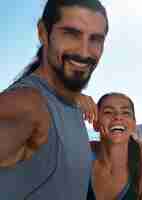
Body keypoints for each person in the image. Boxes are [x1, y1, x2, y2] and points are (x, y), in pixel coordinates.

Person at [0, 0, 108, 199]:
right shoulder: (28, 103)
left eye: (95, 39)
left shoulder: (66, 100)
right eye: (71, 34)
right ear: (43, 33)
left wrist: (125, 145)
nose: (84, 52)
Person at [90, 92, 142, 200]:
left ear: (133, 125)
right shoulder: (81, 160)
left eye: (126, 112)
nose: (117, 117)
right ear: (95, 123)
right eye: (108, 112)